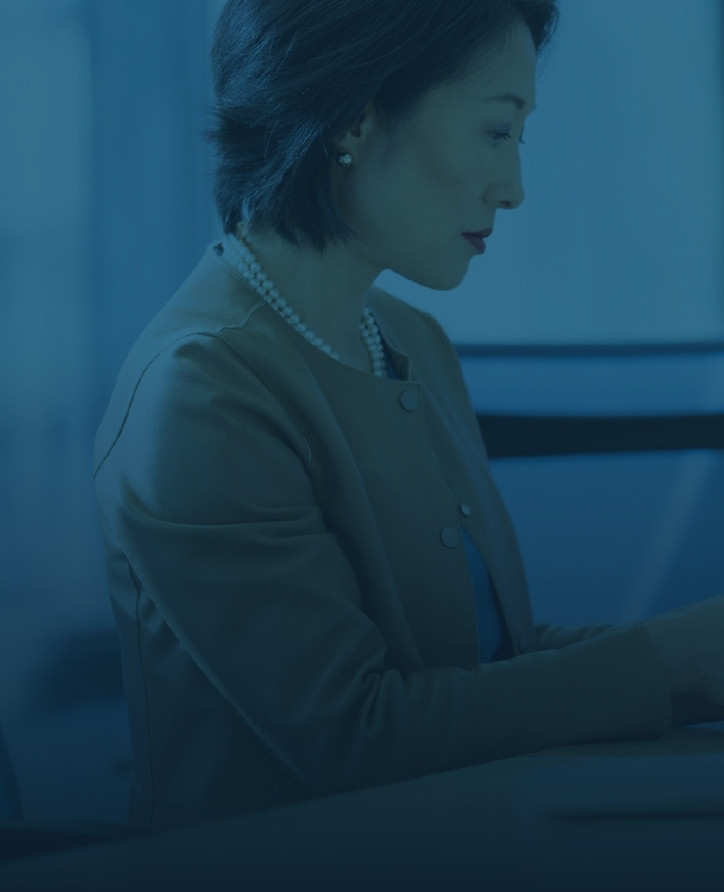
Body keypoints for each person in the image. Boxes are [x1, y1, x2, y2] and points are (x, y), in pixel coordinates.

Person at [93, 0, 724, 833]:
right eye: (496, 133)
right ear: (354, 118)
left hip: (454, 848)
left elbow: (487, 666)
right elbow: (354, 739)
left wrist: (697, 651)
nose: (516, 187)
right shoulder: (203, 391)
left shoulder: (408, 338)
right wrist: (675, 665)